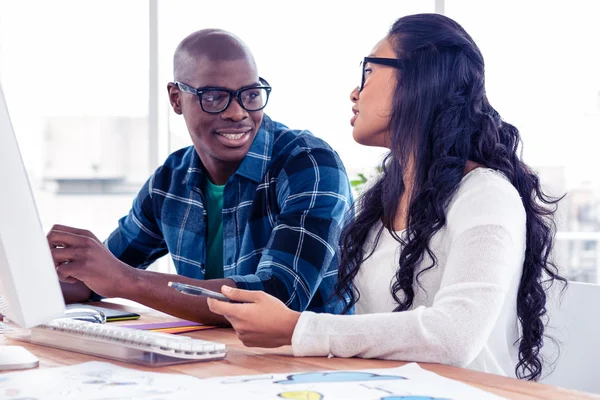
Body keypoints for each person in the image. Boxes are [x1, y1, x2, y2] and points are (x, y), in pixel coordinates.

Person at [207, 13, 566, 380]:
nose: (354, 92)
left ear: (418, 79)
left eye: (368, 71)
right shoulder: (376, 202)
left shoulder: (485, 195)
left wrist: (298, 328)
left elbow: (454, 336)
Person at [48, 29, 352, 326]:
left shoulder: (308, 163)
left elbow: (280, 294)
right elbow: (96, 279)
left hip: (311, 367)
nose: (237, 112)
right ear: (176, 98)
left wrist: (128, 280)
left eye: (250, 94)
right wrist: (32, 286)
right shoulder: (170, 182)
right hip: (218, 361)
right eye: (215, 96)